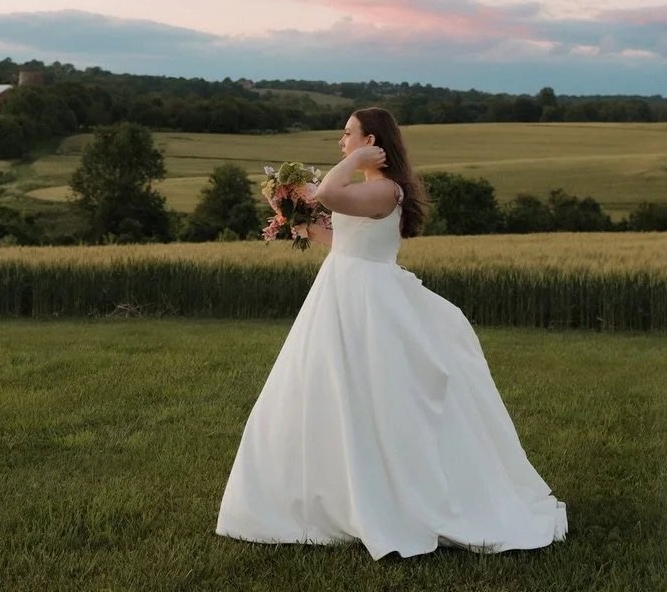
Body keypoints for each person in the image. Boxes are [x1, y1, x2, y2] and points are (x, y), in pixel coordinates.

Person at [216, 106, 567, 559]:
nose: (341, 143)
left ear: (373, 142)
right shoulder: (368, 190)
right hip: (341, 294)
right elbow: (338, 239)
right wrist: (286, 212)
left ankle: (392, 496)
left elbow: (326, 194)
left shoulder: (386, 190)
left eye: (349, 135)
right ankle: (322, 496)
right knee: (324, 393)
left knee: (377, 397)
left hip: (368, 303)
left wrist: (354, 161)